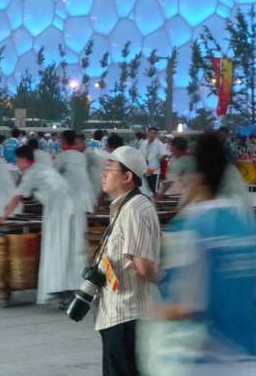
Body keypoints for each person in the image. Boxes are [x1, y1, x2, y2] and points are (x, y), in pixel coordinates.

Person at [147, 133, 256, 375]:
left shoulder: (192, 227)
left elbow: (185, 306)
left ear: (199, 176)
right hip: (254, 362)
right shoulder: (253, 228)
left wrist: (153, 312)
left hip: (211, 363)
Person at [0, 146, 86, 305]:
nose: (17, 164)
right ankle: (69, 289)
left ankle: (60, 289)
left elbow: (15, 199)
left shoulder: (31, 173)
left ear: (24, 160)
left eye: (17, 161)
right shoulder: (42, 168)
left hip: (59, 211)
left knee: (56, 249)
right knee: (68, 250)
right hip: (73, 208)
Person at [94, 145, 161, 376]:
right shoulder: (126, 206)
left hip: (128, 315)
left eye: (110, 169)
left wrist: (166, 280)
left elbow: (143, 266)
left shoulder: (134, 208)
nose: (103, 174)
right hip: (121, 314)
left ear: (127, 176)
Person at [53, 131, 96, 213]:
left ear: (64, 141)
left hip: (73, 200)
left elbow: (51, 175)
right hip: (87, 199)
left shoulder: (62, 156)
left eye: (60, 140)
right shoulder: (81, 156)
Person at [140, 127, 165, 193]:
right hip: (145, 170)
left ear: (156, 135)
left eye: (154, 133)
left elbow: (164, 156)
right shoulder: (144, 143)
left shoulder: (159, 144)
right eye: (151, 133)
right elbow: (139, 154)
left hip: (154, 172)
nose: (152, 135)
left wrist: (156, 165)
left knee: (154, 190)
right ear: (148, 133)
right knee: (146, 190)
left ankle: (155, 202)